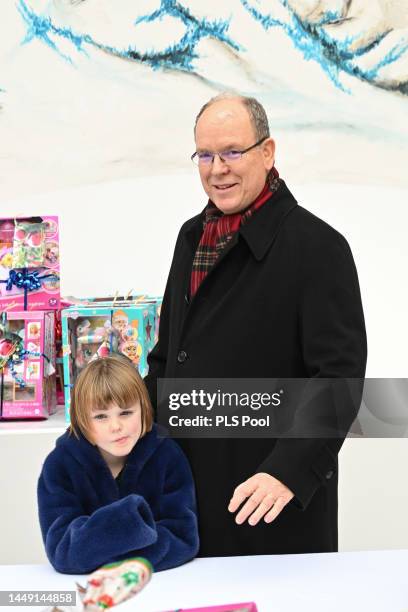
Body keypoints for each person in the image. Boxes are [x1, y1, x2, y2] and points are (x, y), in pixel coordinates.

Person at [144, 93, 367, 557]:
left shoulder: (319, 247)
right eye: (204, 155)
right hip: (185, 498)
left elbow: (339, 379)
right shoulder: (190, 238)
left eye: (231, 152)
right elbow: (167, 359)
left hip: (268, 504)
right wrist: (106, 420)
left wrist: (287, 470)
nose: (217, 168)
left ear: (267, 153)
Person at [38, 355, 199, 574]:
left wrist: (98, 550)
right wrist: (132, 523)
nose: (116, 426)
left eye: (126, 413)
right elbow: (62, 549)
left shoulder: (167, 455)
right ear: (82, 420)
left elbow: (183, 537)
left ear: (144, 409)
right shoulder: (60, 466)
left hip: (162, 586)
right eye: (101, 416)